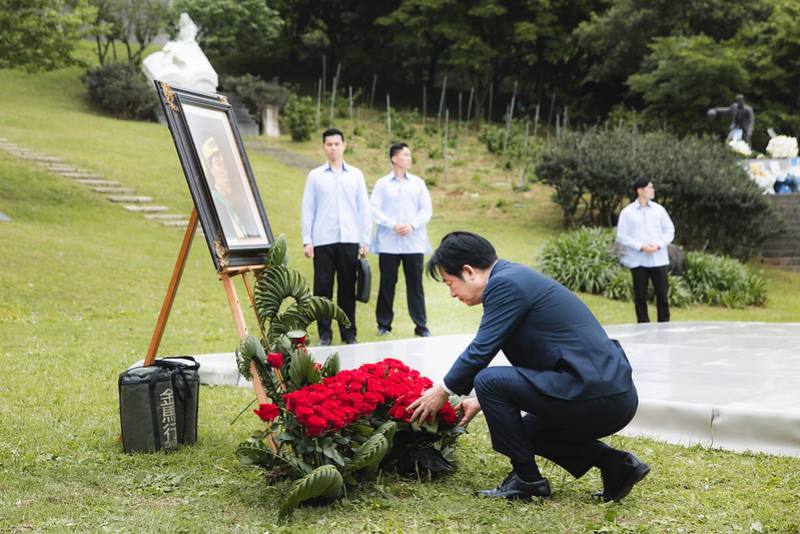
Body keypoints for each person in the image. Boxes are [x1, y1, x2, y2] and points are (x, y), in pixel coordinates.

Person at [407, 232, 649, 502]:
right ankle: (617, 466)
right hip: (607, 393)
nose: (452, 293)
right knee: (528, 432)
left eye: (450, 283)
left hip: (597, 395)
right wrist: (481, 401)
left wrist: (442, 391)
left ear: (469, 271)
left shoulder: (505, 284)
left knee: (487, 379)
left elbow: (481, 349)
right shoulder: (513, 278)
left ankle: (527, 480)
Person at [301, 128, 371, 345]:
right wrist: (307, 239)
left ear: (344, 145)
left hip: (350, 239)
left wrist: (365, 239)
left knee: (347, 289)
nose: (333, 148)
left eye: (336, 144)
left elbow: (364, 209)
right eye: (329, 144)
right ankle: (325, 334)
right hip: (323, 240)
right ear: (323, 147)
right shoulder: (315, 176)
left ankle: (349, 334)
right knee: (323, 289)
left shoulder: (356, 175)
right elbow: (308, 208)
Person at [370, 143, 433, 338]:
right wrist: (392, 224)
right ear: (394, 158)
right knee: (387, 284)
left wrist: (412, 225)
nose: (409, 158)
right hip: (389, 242)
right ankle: (384, 325)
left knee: (415, 285)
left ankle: (421, 326)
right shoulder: (382, 184)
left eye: (409, 155)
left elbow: (426, 210)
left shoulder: (418, 183)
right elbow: (374, 208)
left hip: (413, 242)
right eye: (405, 155)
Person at [616, 177, 675, 323]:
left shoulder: (659, 210)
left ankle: (664, 326)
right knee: (640, 296)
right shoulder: (627, 212)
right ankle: (643, 327)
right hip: (638, 261)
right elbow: (621, 236)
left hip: (659, 259)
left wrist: (659, 245)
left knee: (662, 295)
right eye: (650, 187)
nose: (652, 190)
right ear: (640, 190)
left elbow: (670, 230)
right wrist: (640, 246)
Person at [201, 137, 261, 240]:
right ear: (211, 170)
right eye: (219, 165)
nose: (226, 172)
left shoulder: (229, 204)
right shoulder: (216, 204)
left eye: (225, 165)